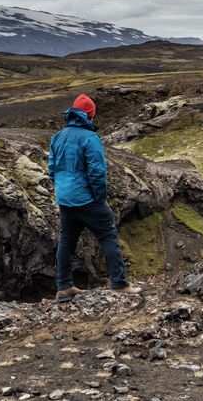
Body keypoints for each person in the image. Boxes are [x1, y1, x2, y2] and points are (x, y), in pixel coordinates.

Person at [48, 94, 141, 301]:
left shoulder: (58, 137)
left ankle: (63, 287)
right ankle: (119, 283)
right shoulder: (90, 138)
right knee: (108, 236)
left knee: (66, 242)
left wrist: (63, 189)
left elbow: (52, 169)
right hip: (86, 199)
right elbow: (97, 172)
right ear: (90, 114)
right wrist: (99, 198)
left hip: (65, 199)